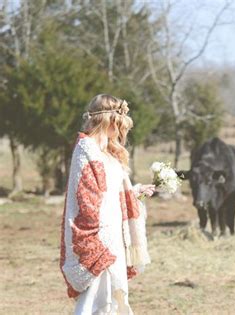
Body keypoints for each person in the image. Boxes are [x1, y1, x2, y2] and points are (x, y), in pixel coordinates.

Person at [59, 94, 155, 314]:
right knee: (95, 301)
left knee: (114, 298)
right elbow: (86, 199)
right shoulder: (86, 149)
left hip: (115, 238)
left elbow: (110, 193)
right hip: (99, 239)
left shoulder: (107, 153)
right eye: (119, 125)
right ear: (108, 121)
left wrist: (134, 192)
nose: (121, 132)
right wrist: (99, 240)